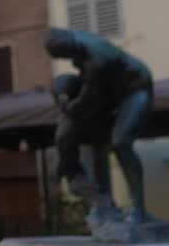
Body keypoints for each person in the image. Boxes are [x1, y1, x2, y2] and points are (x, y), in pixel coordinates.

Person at [44, 28, 153, 223]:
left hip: (134, 90)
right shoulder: (77, 42)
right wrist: (60, 95)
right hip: (108, 93)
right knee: (64, 129)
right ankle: (77, 177)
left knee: (121, 143)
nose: (68, 61)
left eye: (65, 56)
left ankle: (139, 209)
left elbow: (84, 102)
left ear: (69, 47)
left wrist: (67, 106)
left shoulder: (98, 58)